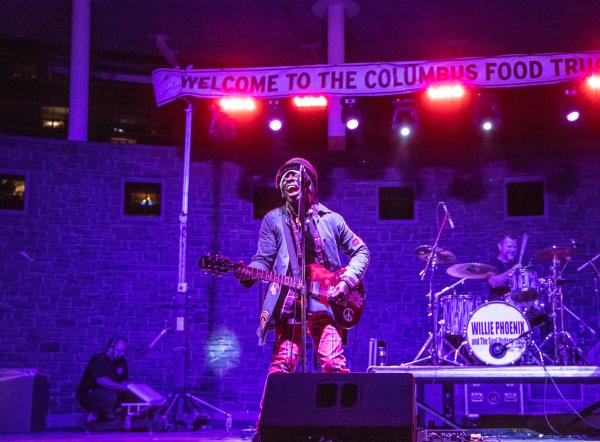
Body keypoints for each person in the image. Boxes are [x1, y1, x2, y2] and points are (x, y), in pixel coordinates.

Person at [236, 157, 370, 375]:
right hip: (291, 302)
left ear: (309, 183)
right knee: (281, 367)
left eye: (294, 175)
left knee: (333, 364)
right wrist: (249, 272)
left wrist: (347, 282)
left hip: (328, 303)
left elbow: (361, 251)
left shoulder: (332, 219)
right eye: (284, 177)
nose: (289, 178)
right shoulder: (273, 219)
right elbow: (264, 259)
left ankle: (340, 410)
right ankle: (272, 410)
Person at [76, 337, 136, 422]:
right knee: (110, 396)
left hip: (111, 391)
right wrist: (121, 387)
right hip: (89, 392)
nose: (121, 354)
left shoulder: (122, 361)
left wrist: (130, 388)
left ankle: (123, 418)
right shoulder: (99, 360)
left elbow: (124, 379)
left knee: (130, 395)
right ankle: (95, 415)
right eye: (119, 351)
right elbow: (101, 380)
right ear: (110, 349)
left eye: (123, 351)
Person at [488, 231, 519, 301]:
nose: (512, 250)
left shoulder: (518, 263)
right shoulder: (492, 264)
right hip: (498, 306)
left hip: (516, 307)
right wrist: (513, 270)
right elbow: (493, 283)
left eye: (515, 247)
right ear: (500, 246)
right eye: (509, 246)